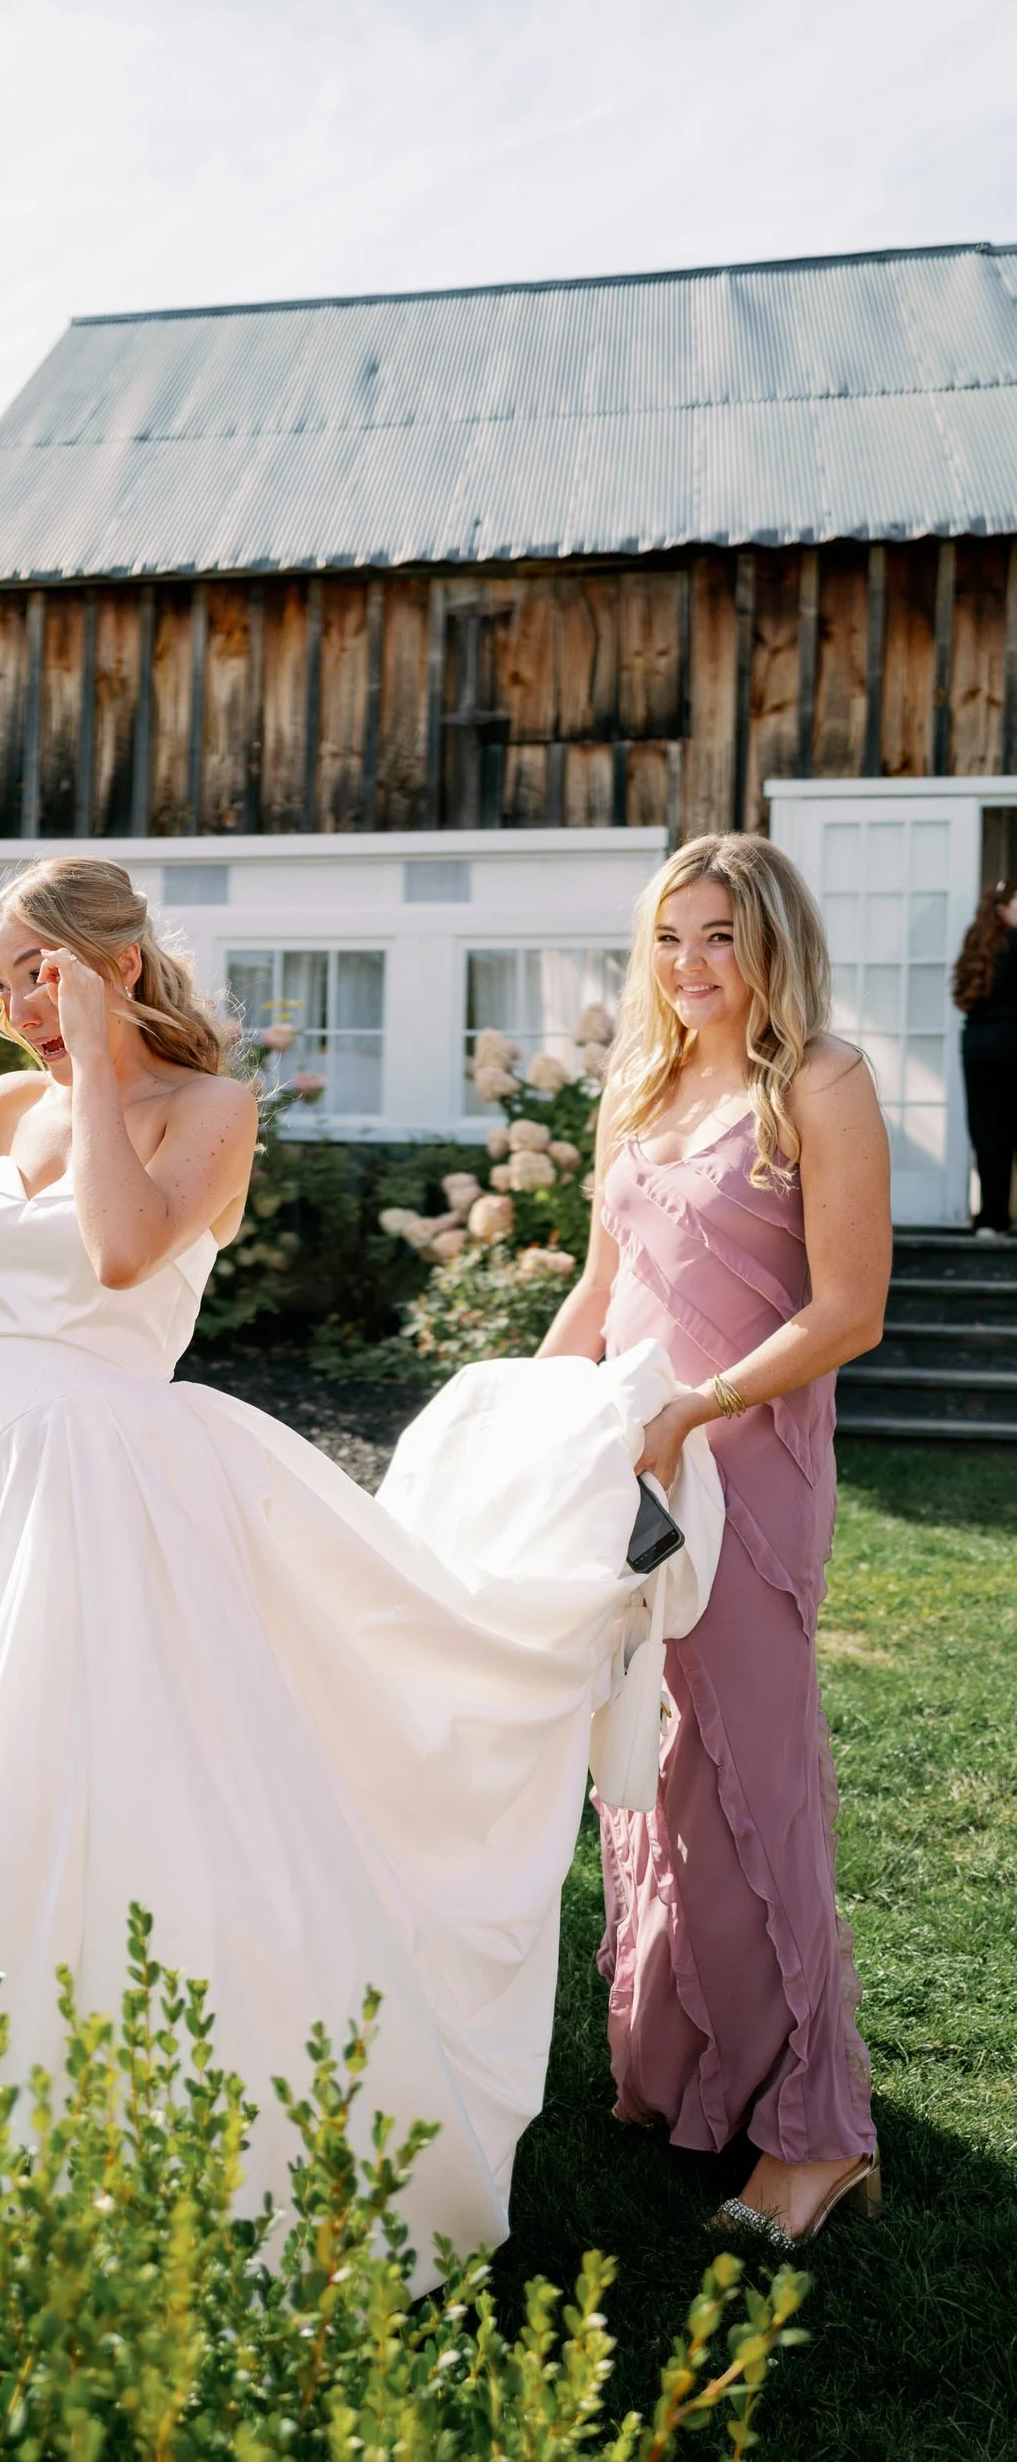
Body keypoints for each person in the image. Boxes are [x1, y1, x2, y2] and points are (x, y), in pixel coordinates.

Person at [0, 854, 688, 2279]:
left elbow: (128, 1256)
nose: (9, 1002)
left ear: (114, 968)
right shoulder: (5, 1102)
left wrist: (87, 1062)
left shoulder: (210, 1110)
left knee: (115, 1779)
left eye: (34, 974)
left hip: (116, 1474)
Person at [539, 832, 890, 2246]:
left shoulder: (821, 1082)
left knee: (752, 1783)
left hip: (741, 1469)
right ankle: (690, 2080)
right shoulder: (643, 1083)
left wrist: (698, 1407)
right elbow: (599, 1288)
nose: (693, 966)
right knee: (646, 1770)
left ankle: (816, 2138)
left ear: (772, 943)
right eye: (672, 937)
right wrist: (527, 1417)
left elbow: (850, 1311)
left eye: (721, 938)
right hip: (632, 1461)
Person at [952, 877, 1017, 1237]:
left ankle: (991, 1220)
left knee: (988, 1131)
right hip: (1011, 1040)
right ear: (1003, 907)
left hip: (977, 1042)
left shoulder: (976, 942)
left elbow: (963, 995)